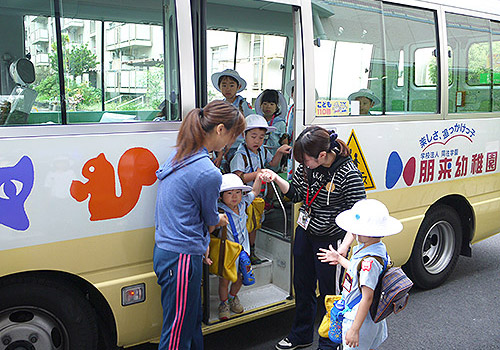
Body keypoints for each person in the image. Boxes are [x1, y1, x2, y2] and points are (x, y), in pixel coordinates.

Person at [259, 125, 366, 350]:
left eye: (306, 159)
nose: (303, 164)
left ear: (323, 155)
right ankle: (301, 335)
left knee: (331, 295)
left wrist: (343, 250)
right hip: (305, 233)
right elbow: (296, 193)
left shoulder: (349, 173)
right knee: (303, 285)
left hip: (331, 241)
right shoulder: (307, 168)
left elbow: (358, 216)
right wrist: (276, 179)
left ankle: (329, 343)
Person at [153, 100, 246, 350]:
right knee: (176, 334)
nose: (230, 143)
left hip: (170, 250)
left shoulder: (180, 154)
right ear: (219, 130)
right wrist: (220, 219)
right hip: (181, 257)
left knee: (189, 323)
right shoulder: (207, 171)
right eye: (232, 135)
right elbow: (209, 218)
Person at [317, 198, 403, 350]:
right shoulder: (376, 249)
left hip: (359, 319)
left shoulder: (369, 262)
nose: (353, 232)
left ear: (367, 233)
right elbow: (358, 272)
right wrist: (339, 259)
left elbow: (367, 297)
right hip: (368, 318)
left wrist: (354, 330)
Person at [230, 114, 291, 264]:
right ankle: (242, 255)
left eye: (261, 137)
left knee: (254, 225)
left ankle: (252, 252)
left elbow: (272, 164)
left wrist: (279, 152)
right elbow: (239, 177)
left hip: (258, 198)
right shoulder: (240, 155)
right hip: (243, 199)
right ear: (244, 135)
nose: (257, 141)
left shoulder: (262, 150)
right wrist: (257, 174)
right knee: (243, 226)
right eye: (253, 136)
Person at [217, 173, 262, 320]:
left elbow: (254, 192)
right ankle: (223, 304)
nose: (234, 196)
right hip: (228, 253)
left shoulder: (243, 204)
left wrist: (259, 178)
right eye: (229, 193)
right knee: (225, 279)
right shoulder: (219, 210)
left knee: (241, 277)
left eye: (238, 192)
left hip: (244, 251)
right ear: (221, 196)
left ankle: (232, 297)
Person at [211, 68, 254, 170]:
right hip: (222, 147)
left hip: (239, 147)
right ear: (219, 87)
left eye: (231, 85)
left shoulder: (243, 105)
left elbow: (251, 123)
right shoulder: (220, 106)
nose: (228, 89)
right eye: (224, 85)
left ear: (238, 87)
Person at [255, 89, 289, 157]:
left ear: (277, 107)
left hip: (275, 156)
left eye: (272, 104)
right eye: (265, 104)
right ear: (260, 105)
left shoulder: (280, 123)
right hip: (258, 155)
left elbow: (284, 141)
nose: (268, 106)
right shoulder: (257, 122)